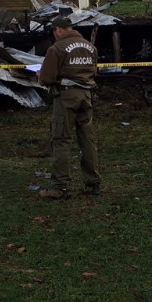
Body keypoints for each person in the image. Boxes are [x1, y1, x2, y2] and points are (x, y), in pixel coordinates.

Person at [37, 15, 101, 198]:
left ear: (58, 30)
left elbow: (47, 78)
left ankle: (60, 187)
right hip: (86, 95)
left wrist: (40, 76)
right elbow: (94, 72)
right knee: (87, 139)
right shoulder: (90, 47)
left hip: (65, 96)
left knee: (61, 139)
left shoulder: (56, 48)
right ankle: (93, 184)